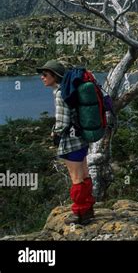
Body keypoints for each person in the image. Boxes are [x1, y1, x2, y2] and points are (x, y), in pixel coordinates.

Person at [37, 60, 95, 225]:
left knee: (76, 178)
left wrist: (55, 133)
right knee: (84, 174)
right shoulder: (70, 90)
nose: (42, 77)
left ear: (55, 76)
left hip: (70, 142)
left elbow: (63, 121)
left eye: (45, 74)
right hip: (81, 139)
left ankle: (79, 214)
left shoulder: (60, 93)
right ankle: (88, 209)